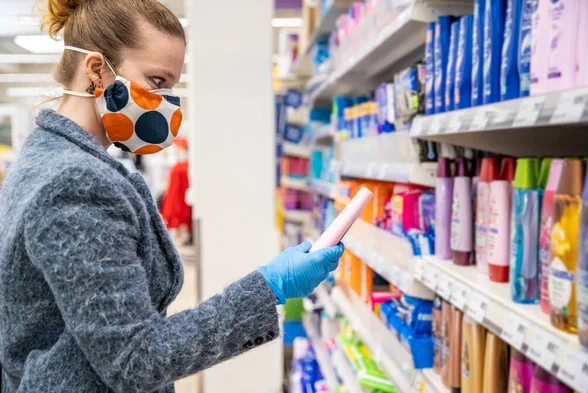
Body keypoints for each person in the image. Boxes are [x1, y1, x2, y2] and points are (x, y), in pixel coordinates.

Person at [0, 1, 344, 393]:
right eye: (157, 81)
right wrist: (269, 286)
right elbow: (138, 360)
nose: (167, 104)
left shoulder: (45, 154)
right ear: (96, 70)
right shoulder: (75, 183)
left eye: (172, 86)